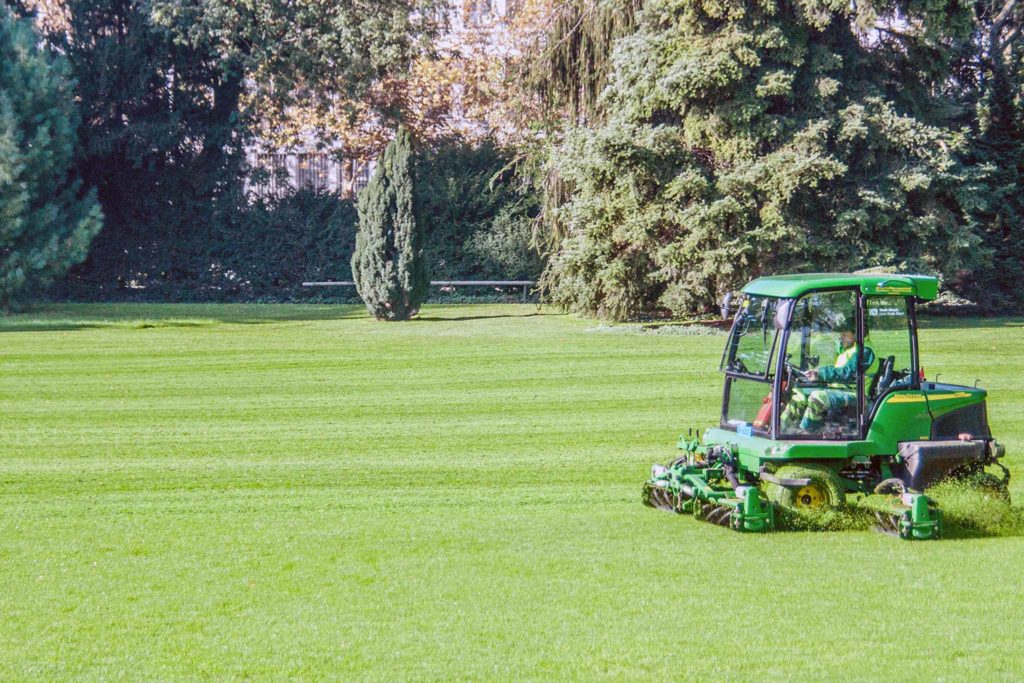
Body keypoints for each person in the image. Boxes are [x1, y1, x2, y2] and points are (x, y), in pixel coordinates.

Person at [781, 330, 877, 434]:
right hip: (842, 389)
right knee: (799, 393)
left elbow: (847, 373)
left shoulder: (865, 351)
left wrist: (821, 374)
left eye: (844, 334)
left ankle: (807, 435)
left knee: (817, 397)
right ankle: (781, 429)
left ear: (857, 334)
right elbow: (839, 369)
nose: (841, 337)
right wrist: (818, 371)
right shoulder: (852, 349)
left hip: (857, 393)